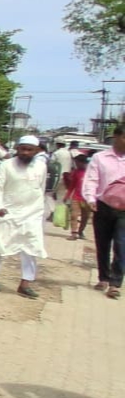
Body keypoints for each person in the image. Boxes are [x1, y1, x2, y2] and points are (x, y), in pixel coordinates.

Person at [0, 134, 47, 299]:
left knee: (31, 247)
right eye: (22, 149)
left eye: (29, 150)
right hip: (8, 212)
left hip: (32, 213)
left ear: (36, 151)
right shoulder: (6, 165)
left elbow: (41, 188)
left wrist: (39, 210)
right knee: (0, 245)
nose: (25, 153)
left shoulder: (41, 166)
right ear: (17, 148)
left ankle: (25, 283)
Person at [82, 125, 125, 300]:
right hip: (103, 206)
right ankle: (103, 278)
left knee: (122, 245)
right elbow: (91, 180)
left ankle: (115, 283)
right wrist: (90, 199)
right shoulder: (100, 158)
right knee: (103, 244)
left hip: (124, 210)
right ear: (116, 137)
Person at [63, 153, 91, 241]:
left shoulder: (91, 172)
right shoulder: (76, 172)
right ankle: (74, 233)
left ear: (83, 163)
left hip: (87, 198)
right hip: (76, 197)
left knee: (85, 217)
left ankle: (80, 231)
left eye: (77, 163)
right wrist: (67, 195)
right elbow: (72, 185)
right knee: (74, 215)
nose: (76, 165)